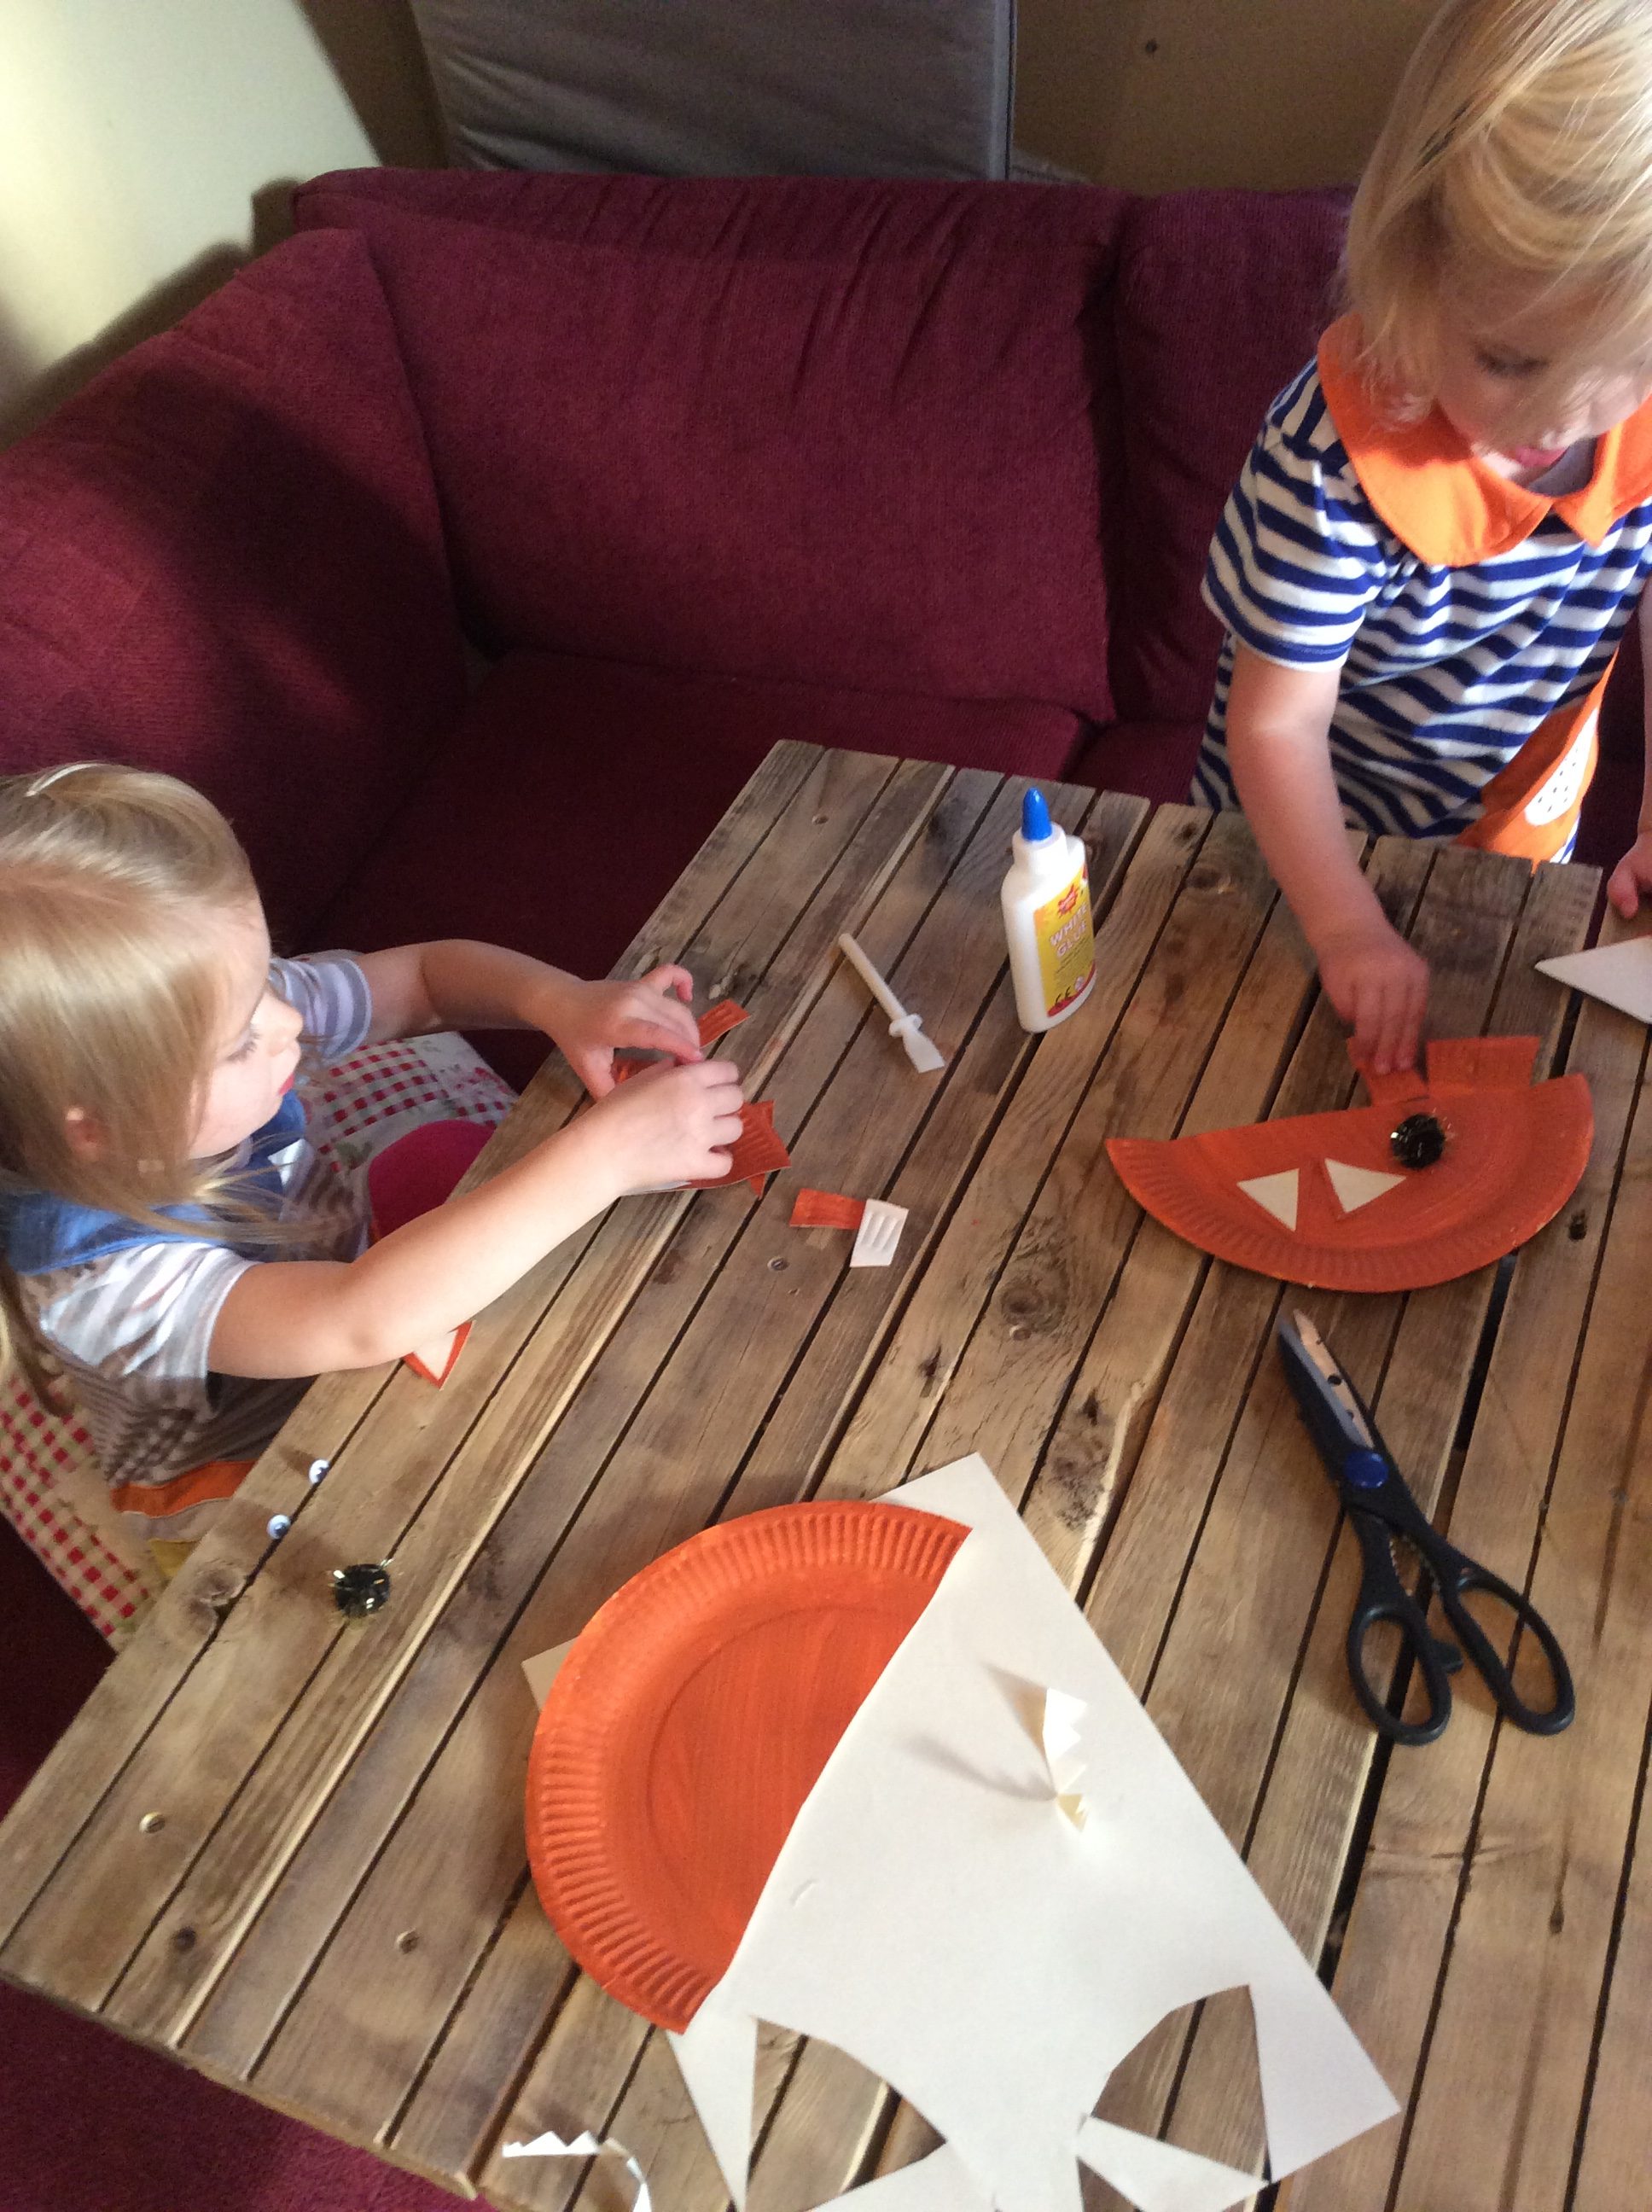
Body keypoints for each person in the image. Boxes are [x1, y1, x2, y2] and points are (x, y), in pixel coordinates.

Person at [0, 762, 744, 1546]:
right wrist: (604, 1157)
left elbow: (423, 978)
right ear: (98, 1128)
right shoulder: (106, 1282)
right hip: (250, 1462)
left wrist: (559, 1000)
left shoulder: (211, 1010)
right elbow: (357, 1320)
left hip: (338, 1276)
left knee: (448, 1164)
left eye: (264, 979)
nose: (289, 1019)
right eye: (241, 1040)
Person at [1193, 0, 1652, 1074]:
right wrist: (1346, 925)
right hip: (1307, 847)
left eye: (1628, 366)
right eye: (1507, 359)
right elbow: (1275, 728)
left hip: (1517, 837)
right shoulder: (1332, 458)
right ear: (1410, 260)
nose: (1560, 418)